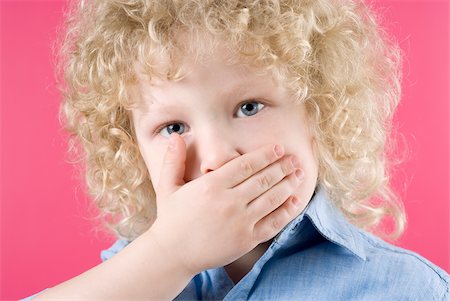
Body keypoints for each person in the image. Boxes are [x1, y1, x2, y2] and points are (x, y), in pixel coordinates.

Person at [26, 0, 448, 300]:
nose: (217, 158)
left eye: (249, 107)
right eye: (173, 126)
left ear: (319, 114)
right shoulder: (134, 276)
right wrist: (169, 254)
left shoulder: (408, 289)